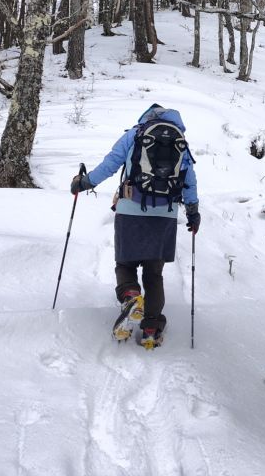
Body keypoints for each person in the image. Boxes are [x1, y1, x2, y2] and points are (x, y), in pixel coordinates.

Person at [71, 103, 199, 347]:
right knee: (154, 274)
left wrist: (84, 183)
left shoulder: (135, 134)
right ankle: (151, 328)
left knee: (125, 263)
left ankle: (130, 296)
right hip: (165, 215)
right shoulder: (180, 141)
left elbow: (110, 165)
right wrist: (193, 212)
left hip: (130, 209)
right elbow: (189, 181)